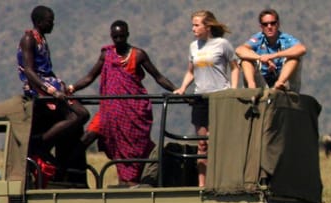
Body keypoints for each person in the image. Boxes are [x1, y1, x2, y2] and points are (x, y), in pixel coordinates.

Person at [69, 20, 177, 187]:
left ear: (127, 35)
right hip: (109, 112)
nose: (118, 40)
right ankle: (73, 178)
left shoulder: (138, 55)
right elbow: (90, 77)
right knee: (87, 138)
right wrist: (72, 88)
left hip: (133, 112)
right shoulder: (107, 55)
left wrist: (176, 90)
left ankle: (133, 182)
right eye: (115, 37)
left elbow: (158, 76)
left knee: (135, 149)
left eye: (121, 36)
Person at [18, 5, 90, 186]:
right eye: (50, 21)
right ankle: (40, 143)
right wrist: (51, 90)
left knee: (79, 115)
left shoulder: (42, 39)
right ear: (39, 22)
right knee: (81, 114)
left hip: (50, 83)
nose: (53, 24)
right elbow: (29, 70)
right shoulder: (29, 38)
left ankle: (49, 146)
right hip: (39, 87)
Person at [173, 10, 239, 187]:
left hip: (219, 98)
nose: (193, 29)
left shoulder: (222, 44)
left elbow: (234, 67)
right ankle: (202, 185)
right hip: (200, 98)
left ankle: (221, 182)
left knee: (216, 142)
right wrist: (182, 88)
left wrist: (233, 90)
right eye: (192, 25)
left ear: (207, 26)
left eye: (196, 25)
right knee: (202, 144)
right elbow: (191, 71)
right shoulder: (193, 46)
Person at [235, 8, 306, 91]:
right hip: (263, 84)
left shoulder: (285, 39)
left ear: (278, 24)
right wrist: (260, 58)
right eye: (265, 24)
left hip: (284, 83)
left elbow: (302, 49)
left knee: (294, 57)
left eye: (272, 23)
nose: (269, 27)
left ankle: (279, 84)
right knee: (245, 59)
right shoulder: (258, 38)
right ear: (261, 27)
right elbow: (239, 50)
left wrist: (273, 56)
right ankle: (251, 86)